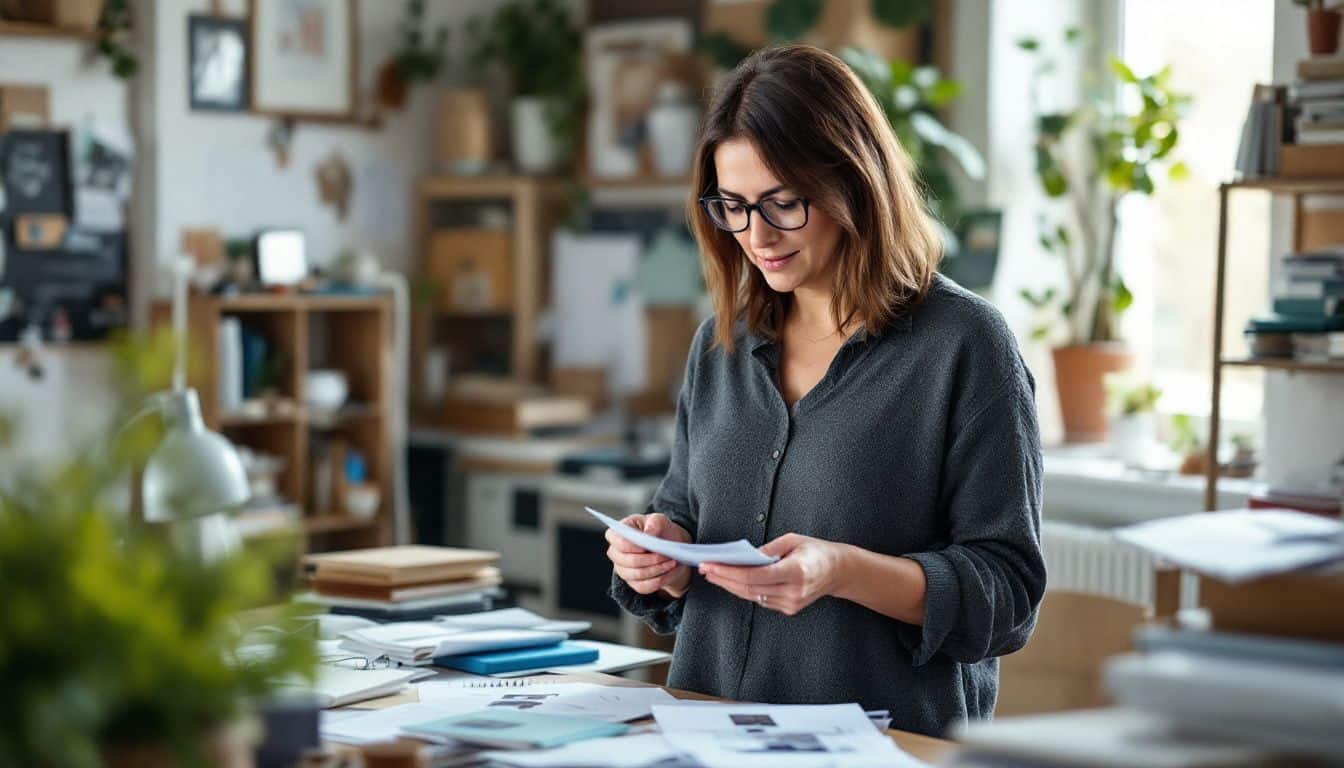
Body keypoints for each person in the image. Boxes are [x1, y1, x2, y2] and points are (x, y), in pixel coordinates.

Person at [604, 44, 1045, 737]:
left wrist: (841, 571)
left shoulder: (965, 346)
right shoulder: (719, 345)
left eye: (783, 203)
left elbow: (1007, 596)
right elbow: (686, 513)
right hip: (708, 736)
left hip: (882, 747)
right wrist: (660, 552)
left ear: (854, 183)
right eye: (733, 206)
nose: (756, 235)